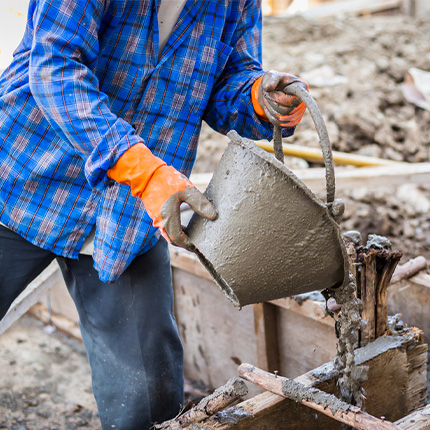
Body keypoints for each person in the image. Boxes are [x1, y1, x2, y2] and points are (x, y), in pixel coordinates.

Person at [0, 0, 308, 428]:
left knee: (146, 402)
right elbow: (55, 66)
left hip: (128, 216)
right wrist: (142, 172)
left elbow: (227, 81)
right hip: (25, 176)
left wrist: (257, 99)